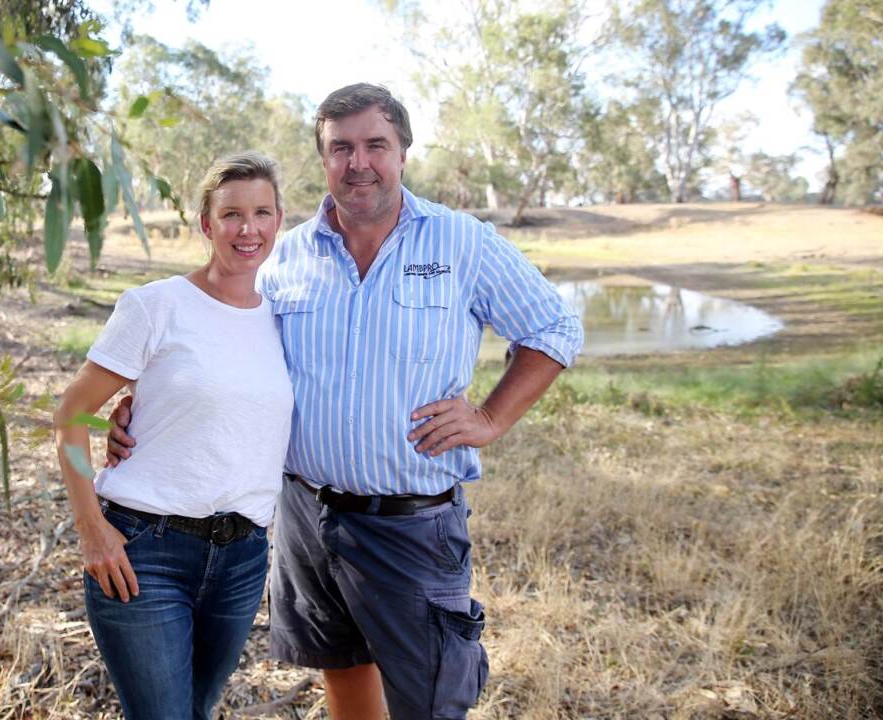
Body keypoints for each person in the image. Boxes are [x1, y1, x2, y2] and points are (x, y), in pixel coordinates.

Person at [106, 84, 583, 720]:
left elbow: (553, 328)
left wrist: (491, 417)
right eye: (341, 148)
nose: (359, 162)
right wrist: (148, 403)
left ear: (403, 152)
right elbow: (227, 342)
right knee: (344, 677)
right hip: (307, 516)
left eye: (375, 145)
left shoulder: (461, 243)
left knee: (434, 702)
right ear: (323, 159)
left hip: (412, 523)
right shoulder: (285, 256)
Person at [53, 151, 295, 720]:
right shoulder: (156, 305)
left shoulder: (283, 319)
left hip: (242, 556)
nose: (248, 229)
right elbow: (71, 413)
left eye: (262, 212)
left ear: (279, 221)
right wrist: (91, 529)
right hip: (146, 551)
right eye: (231, 214)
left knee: (195, 709)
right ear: (207, 224)